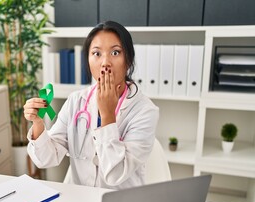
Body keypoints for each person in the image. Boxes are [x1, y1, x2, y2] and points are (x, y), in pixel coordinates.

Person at [23, 21, 159, 189]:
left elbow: (115, 174)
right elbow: (46, 159)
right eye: (96, 53)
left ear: (129, 60)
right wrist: (38, 123)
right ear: (88, 61)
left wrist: (108, 115)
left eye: (115, 52)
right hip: (80, 200)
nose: (105, 63)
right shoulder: (76, 101)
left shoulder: (145, 111)